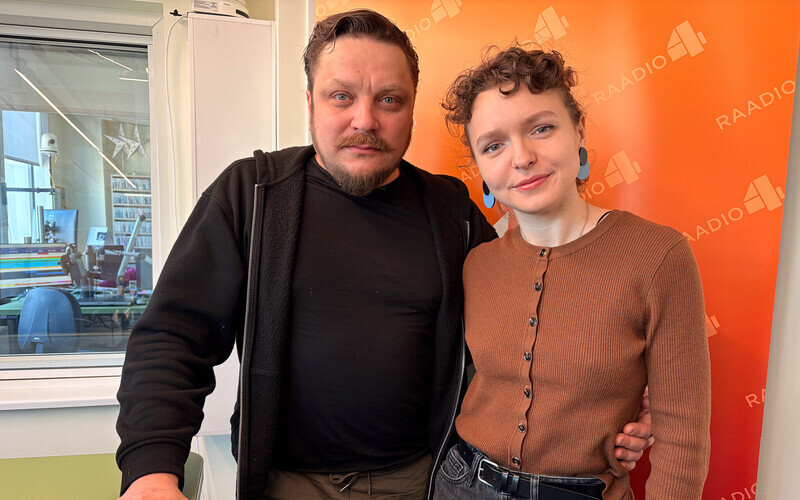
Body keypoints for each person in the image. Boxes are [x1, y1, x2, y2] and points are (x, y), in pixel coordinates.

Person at [115, 10, 653, 500]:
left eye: (389, 100)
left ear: (411, 109)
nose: (365, 120)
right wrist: (151, 473)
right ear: (310, 104)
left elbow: (529, 322)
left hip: (426, 481)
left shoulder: (451, 210)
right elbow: (174, 337)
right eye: (341, 97)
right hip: (285, 484)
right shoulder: (252, 194)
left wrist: (625, 396)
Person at [433, 46, 711, 500]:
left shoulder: (659, 256)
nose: (521, 158)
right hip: (462, 483)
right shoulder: (476, 264)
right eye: (493, 145)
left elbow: (682, 437)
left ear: (578, 131)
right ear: (480, 168)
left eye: (541, 128)